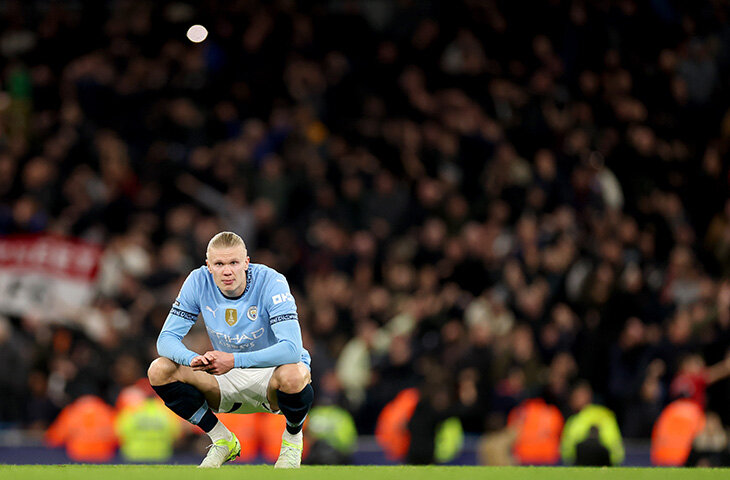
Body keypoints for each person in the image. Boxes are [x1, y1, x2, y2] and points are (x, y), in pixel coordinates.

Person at [147, 231, 313, 468]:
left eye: (234, 263)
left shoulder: (271, 281)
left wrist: (234, 360)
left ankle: (292, 441)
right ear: (209, 266)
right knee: (159, 369)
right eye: (219, 264)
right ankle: (222, 440)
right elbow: (166, 340)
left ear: (246, 262)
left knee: (294, 373)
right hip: (225, 375)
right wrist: (193, 359)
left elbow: (292, 350)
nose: (227, 271)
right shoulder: (197, 281)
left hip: (271, 376)